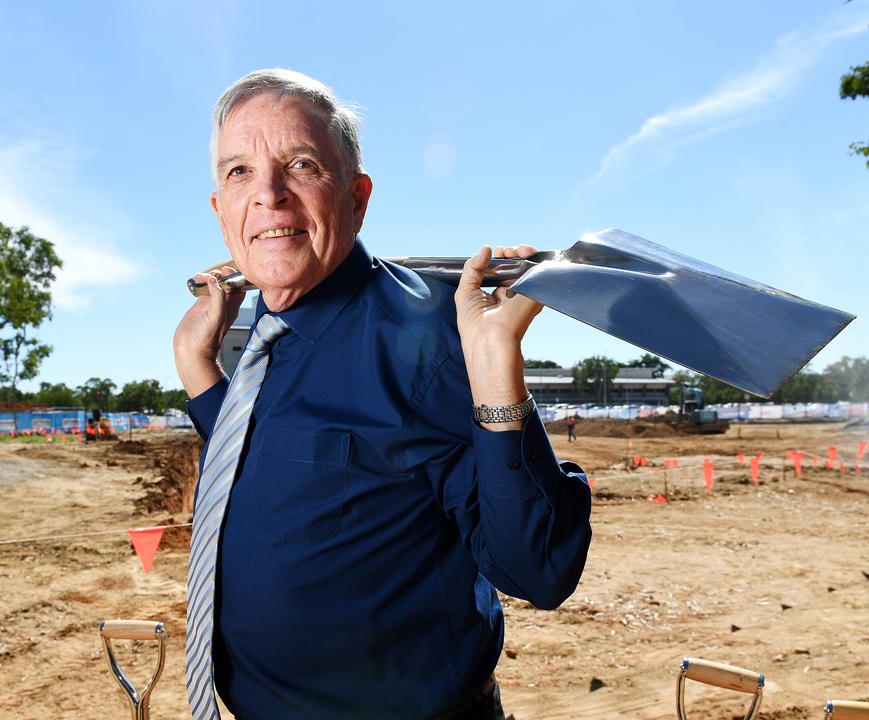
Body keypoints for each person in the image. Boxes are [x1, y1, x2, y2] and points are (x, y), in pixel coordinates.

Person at [173, 68, 592, 720]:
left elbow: (539, 570)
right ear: (219, 211)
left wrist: (491, 368)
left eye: (302, 164)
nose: (269, 196)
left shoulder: (428, 333)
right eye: (239, 173)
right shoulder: (261, 333)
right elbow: (277, 464)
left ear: (357, 198)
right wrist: (199, 371)